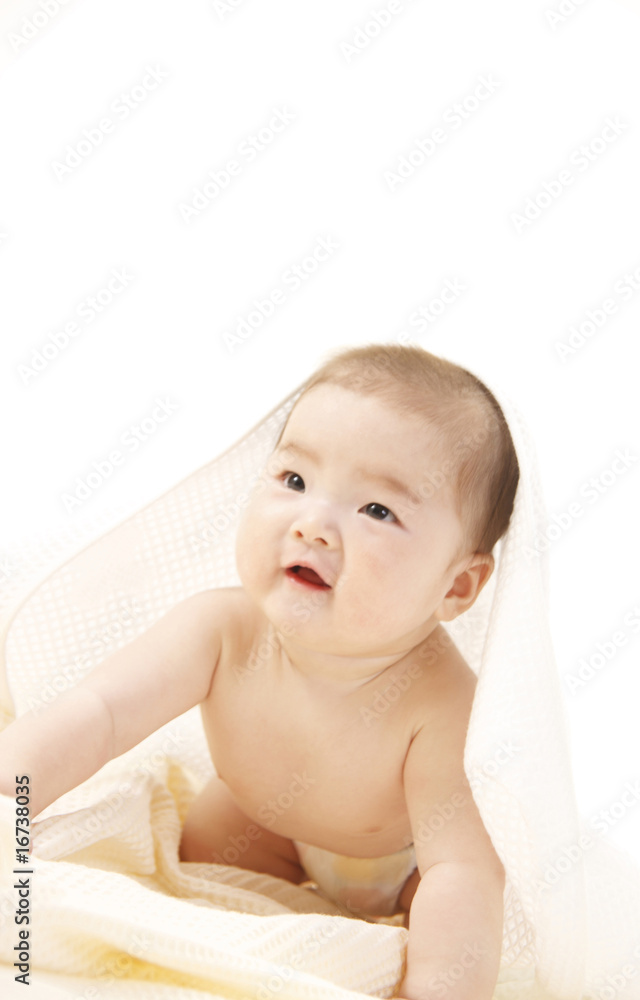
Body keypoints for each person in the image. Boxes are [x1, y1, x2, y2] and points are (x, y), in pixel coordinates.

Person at [0, 344, 520, 1000]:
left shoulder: (443, 706)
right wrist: (10, 797)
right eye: (294, 480)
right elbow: (99, 714)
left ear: (457, 586)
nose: (313, 526)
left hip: (403, 864)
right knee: (194, 876)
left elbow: (460, 870)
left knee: (444, 917)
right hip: (257, 821)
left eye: (377, 511)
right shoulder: (220, 630)